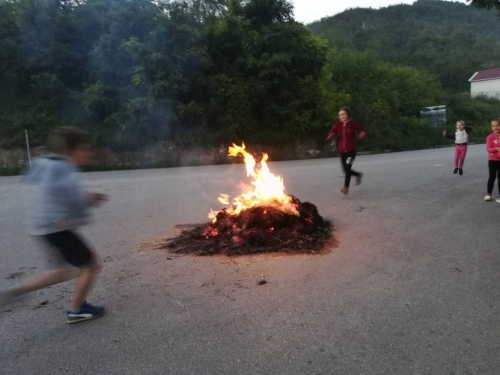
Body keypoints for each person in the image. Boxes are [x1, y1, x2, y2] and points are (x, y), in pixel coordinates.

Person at [0, 127, 108, 323]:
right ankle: (76, 310)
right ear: (75, 149)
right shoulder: (65, 168)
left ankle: (21, 289)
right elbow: (73, 198)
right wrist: (92, 198)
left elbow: (34, 184)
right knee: (91, 264)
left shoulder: (44, 162)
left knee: (63, 271)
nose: (89, 153)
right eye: (86, 149)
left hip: (41, 227)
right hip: (56, 227)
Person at [326, 107, 366, 195]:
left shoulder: (353, 124)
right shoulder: (337, 125)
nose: (342, 116)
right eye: (340, 115)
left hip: (351, 150)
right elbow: (331, 131)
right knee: (345, 170)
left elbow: (362, 128)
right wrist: (331, 134)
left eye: (344, 114)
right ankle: (358, 175)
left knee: (348, 168)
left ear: (348, 114)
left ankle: (345, 187)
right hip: (342, 150)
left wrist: (362, 133)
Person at [485, 118, 500, 202]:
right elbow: (488, 149)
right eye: (493, 126)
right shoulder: (490, 137)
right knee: (492, 177)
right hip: (492, 160)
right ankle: (489, 193)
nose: (495, 128)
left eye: (497, 125)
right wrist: (496, 149)